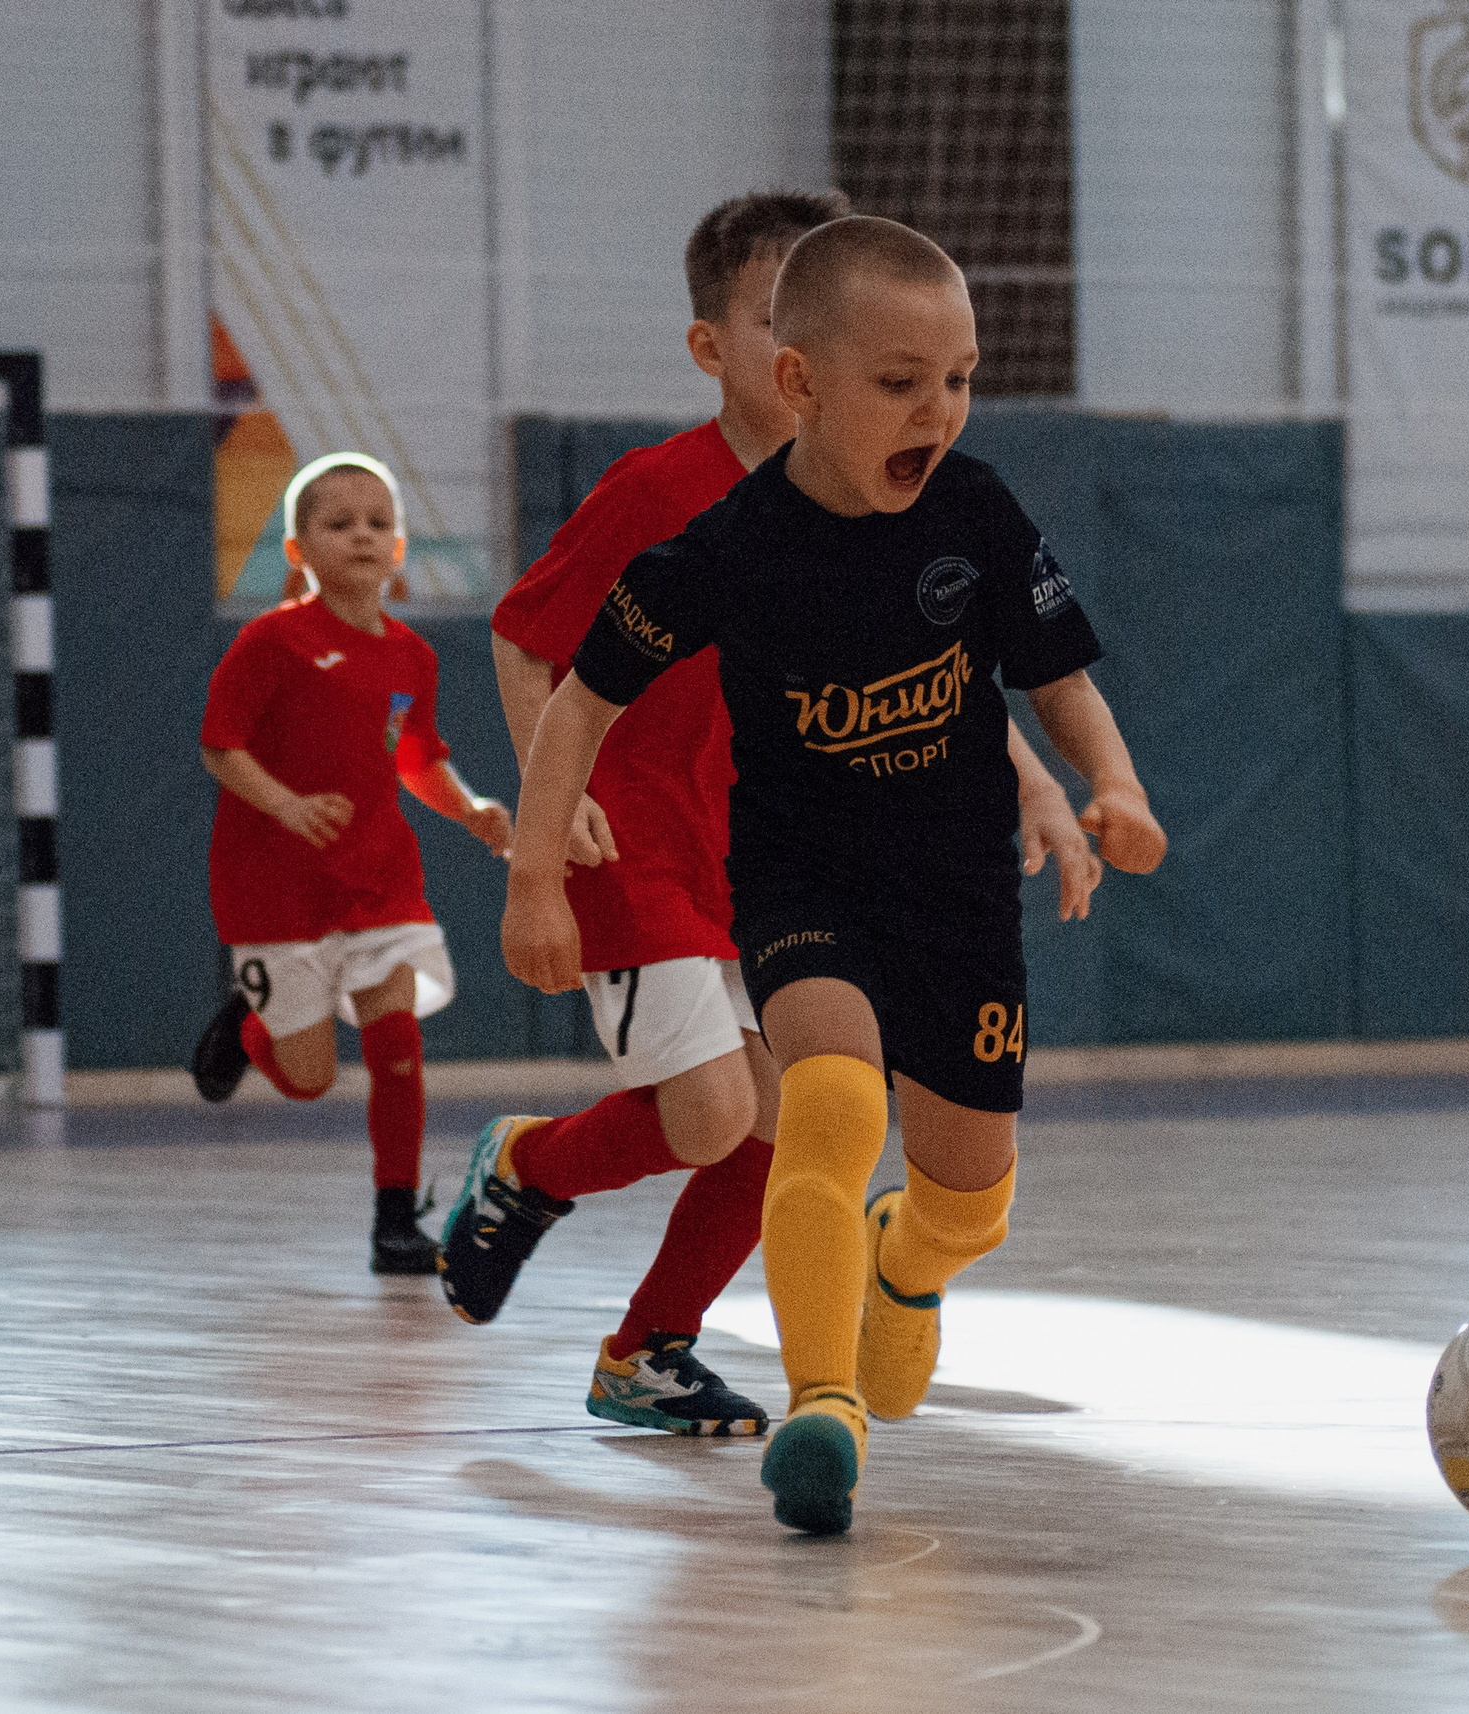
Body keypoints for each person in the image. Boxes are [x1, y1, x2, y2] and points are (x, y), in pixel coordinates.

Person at [498, 215, 1165, 1533]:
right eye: (903, 383)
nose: (942, 409)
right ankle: (820, 1406)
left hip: (958, 898)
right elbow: (576, 700)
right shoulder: (733, 543)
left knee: (969, 1194)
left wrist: (1112, 786)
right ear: (800, 385)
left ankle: (905, 1271)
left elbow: (1051, 677)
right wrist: (535, 876)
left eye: (963, 379)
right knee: (827, 1108)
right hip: (803, 880)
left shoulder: (975, 514)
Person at [188, 453, 514, 1276]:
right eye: (339, 524)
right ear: (298, 550)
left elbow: (416, 759)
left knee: (396, 1041)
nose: (362, 536)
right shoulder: (273, 643)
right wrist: (288, 806)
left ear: (399, 548)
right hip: (277, 888)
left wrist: (468, 806)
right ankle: (249, 1026)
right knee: (306, 1080)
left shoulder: (411, 657)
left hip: (380, 878)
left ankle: (394, 1221)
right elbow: (220, 747)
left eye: (377, 523)